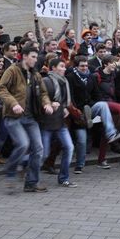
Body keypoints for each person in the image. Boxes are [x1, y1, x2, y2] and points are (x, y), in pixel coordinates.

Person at [0, 45, 53, 193]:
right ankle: (10, 171)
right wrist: (13, 103)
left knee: (39, 149)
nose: (36, 60)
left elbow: (43, 93)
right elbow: (1, 89)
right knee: (23, 144)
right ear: (25, 56)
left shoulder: (35, 74)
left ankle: (31, 182)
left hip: (30, 117)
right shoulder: (12, 70)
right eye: (33, 57)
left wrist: (47, 104)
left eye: (36, 57)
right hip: (13, 116)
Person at [41, 58, 77, 187]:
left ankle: (63, 178)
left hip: (60, 122)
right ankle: (27, 171)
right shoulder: (45, 81)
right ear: (53, 68)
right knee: (43, 154)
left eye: (65, 66)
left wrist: (65, 108)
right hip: (46, 123)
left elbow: (64, 101)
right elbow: (39, 99)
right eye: (61, 66)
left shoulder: (64, 82)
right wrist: (50, 104)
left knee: (69, 147)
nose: (65, 68)